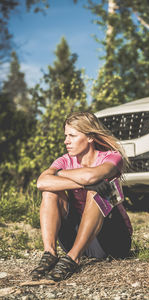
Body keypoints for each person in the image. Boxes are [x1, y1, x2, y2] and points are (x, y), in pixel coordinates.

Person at [31, 112, 133, 282]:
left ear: (90, 137)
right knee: (49, 191)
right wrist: (82, 183)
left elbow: (91, 177)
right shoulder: (64, 161)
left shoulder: (112, 157)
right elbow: (41, 182)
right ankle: (50, 253)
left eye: (72, 136)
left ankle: (73, 258)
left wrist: (64, 176)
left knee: (100, 191)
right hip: (76, 236)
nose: (66, 141)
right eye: (65, 136)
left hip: (113, 240)